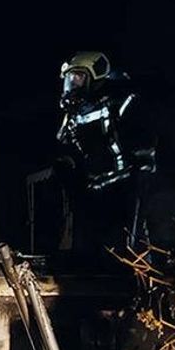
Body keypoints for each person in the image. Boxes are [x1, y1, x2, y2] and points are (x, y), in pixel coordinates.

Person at [56, 52, 156, 251]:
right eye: (70, 78)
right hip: (96, 188)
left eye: (78, 77)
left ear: (95, 77)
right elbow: (62, 144)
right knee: (99, 246)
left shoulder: (120, 99)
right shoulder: (73, 112)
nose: (73, 83)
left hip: (128, 183)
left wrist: (140, 170)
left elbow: (143, 136)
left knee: (132, 244)